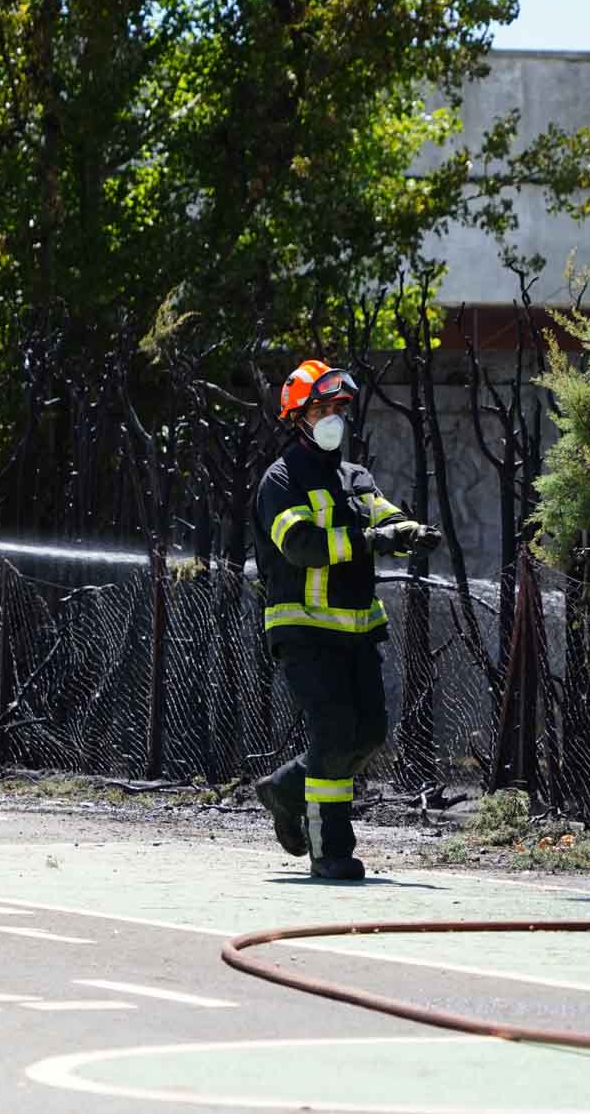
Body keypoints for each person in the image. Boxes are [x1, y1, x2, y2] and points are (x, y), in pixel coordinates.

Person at [250, 361, 442, 879]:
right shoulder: (282, 480)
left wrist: (410, 532)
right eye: (323, 407)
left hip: (357, 628)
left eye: (339, 407)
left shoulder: (355, 477)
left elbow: (383, 516)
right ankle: (329, 850)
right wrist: (369, 541)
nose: (334, 416)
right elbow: (301, 547)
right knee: (334, 731)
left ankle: (286, 788)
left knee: (370, 732)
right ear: (298, 416)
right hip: (305, 628)